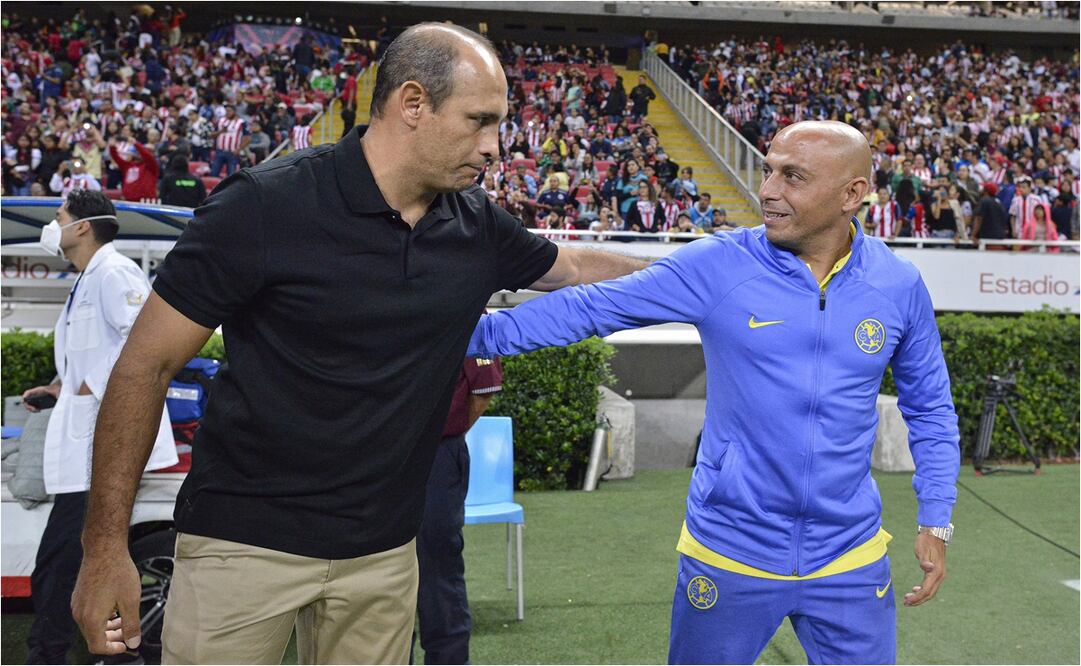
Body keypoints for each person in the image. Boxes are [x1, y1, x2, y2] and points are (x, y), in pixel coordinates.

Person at [71, 23, 648, 665]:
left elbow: (572, 267)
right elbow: (144, 367)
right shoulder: (264, 205)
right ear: (412, 103)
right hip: (243, 545)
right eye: (479, 121)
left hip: (385, 555)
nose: (494, 146)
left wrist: (708, 274)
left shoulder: (475, 225)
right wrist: (104, 548)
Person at [468, 121, 960, 665]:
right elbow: (594, 307)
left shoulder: (897, 284)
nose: (768, 190)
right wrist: (469, 337)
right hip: (730, 549)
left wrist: (935, 518)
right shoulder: (721, 264)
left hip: (850, 557)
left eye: (793, 177)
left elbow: (931, 409)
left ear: (853, 194)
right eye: (768, 171)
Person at [21, 190, 177, 664]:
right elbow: (93, 350)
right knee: (69, 562)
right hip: (87, 441)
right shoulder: (89, 277)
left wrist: (90, 383)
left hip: (105, 444)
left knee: (63, 562)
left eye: (59, 216)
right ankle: (111, 654)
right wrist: (61, 386)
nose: (53, 226)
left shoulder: (114, 272)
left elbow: (144, 339)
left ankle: (53, 655)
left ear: (82, 226)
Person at [414, 357, 503, 664]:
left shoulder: (465, 322)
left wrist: (442, 433)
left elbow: (483, 391)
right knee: (379, 567)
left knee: (437, 567)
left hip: (437, 455)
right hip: (379, 456)